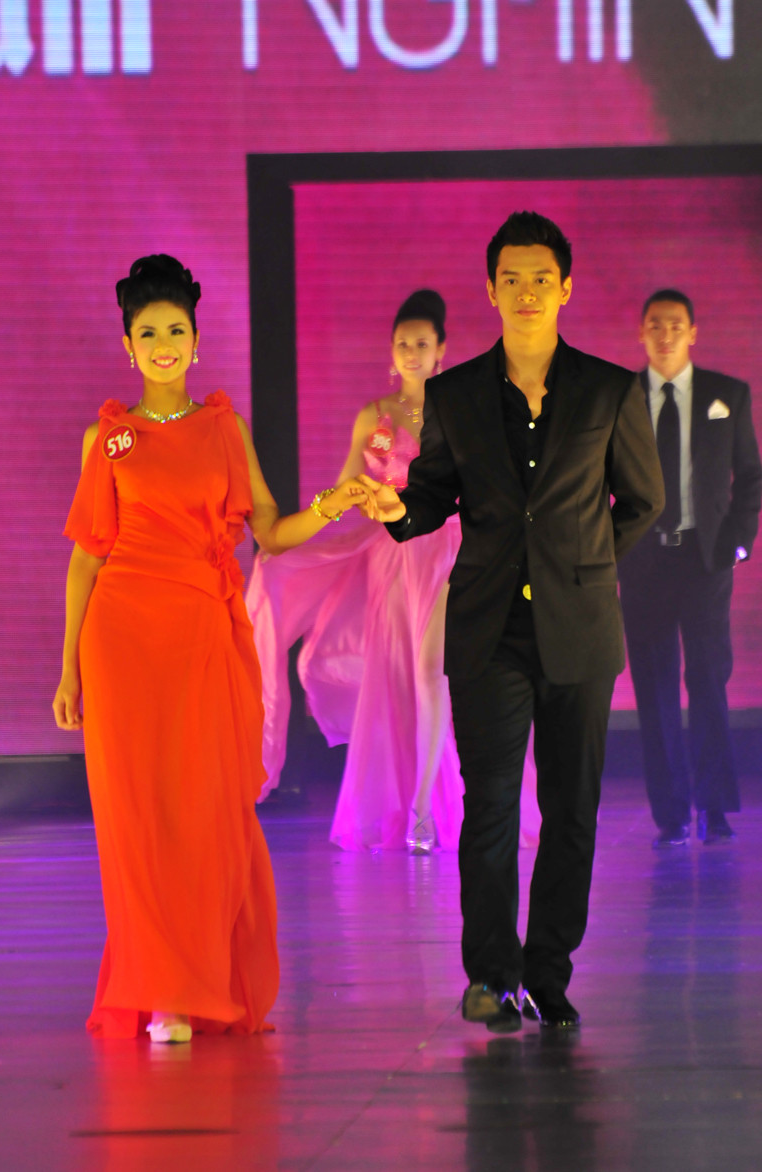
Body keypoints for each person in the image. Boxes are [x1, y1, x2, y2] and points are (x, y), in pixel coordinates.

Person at [52, 254, 369, 1043]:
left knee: (204, 813)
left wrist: (335, 501)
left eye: (176, 331)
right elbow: (87, 558)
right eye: (148, 333)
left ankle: (195, 979)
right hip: (121, 643)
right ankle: (161, 989)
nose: (163, 345)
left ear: (197, 341)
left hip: (202, 637)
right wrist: (68, 672)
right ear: (128, 346)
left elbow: (271, 533)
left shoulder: (225, 428)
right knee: (136, 822)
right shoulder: (108, 437)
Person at [360, 212, 664, 1031]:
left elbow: (643, 501)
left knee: (571, 810)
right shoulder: (455, 393)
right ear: (491, 290)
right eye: (511, 279)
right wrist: (398, 510)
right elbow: (433, 494)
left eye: (541, 278)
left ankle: (549, 973)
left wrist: (581, 565)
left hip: (580, 629)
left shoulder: (608, 389)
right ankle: (492, 976)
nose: (526, 292)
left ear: (565, 288)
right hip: (487, 629)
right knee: (490, 805)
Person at [246, 290, 542, 854]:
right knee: (399, 681)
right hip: (391, 557)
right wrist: (348, 500)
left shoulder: (465, 407)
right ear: (392, 351)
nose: (411, 352)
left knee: (432, 673)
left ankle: (423, 810)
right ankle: (411, 802)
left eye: (422, 343)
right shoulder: (374, 416)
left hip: (448, 552)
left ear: (441, 350)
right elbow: (345, 485)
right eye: (403, 343)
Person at [618, 290, 762, 848]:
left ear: (693, 333)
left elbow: (750, 476)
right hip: (643, 559)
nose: (665, 334)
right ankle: (672, 814)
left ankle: (716, 808)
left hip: (705, 559)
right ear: (641, 332)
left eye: (675, 325)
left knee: (707, 679)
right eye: (655, 325)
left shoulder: (728, 394)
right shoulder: (619, 399)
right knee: (654, 689)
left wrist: (738, 545)